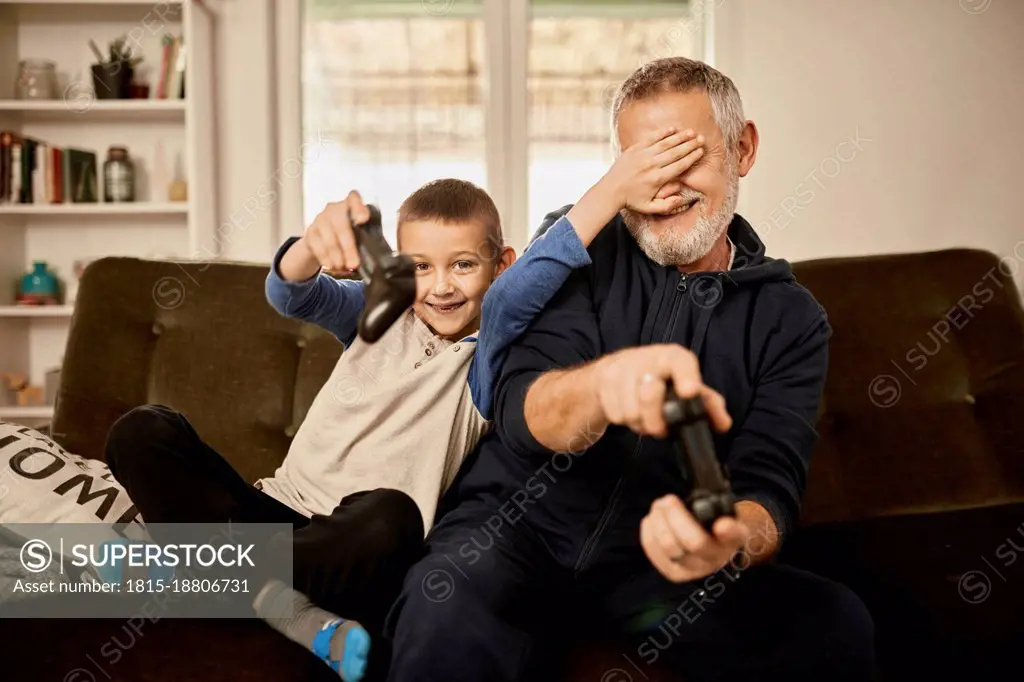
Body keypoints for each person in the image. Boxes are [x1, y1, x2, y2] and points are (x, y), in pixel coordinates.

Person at [105, 126, 705, 682]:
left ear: (501, 266)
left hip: (353, 547)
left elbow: (545, 266)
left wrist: (613, 187)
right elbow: (290, 293)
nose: (440, 286)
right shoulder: (379, 312)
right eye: (420, 267)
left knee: (392, 515)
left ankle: (199, 573)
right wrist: (312, 245)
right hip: (272, 514)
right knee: (142, 430)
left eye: (463, 266)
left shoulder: (492, 351)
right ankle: (273, 601)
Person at [384, 57, 876, 682]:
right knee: (443, 598)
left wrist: (730, 537)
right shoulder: (579, 250)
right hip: (513, 534)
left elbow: (769, 485)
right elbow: (519, 411)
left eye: (686, 155)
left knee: (834, 622)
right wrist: (604, 388)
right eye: (646, 162)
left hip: (655, 566)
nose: (665, 186)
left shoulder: (791, 318)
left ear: (743, 149)